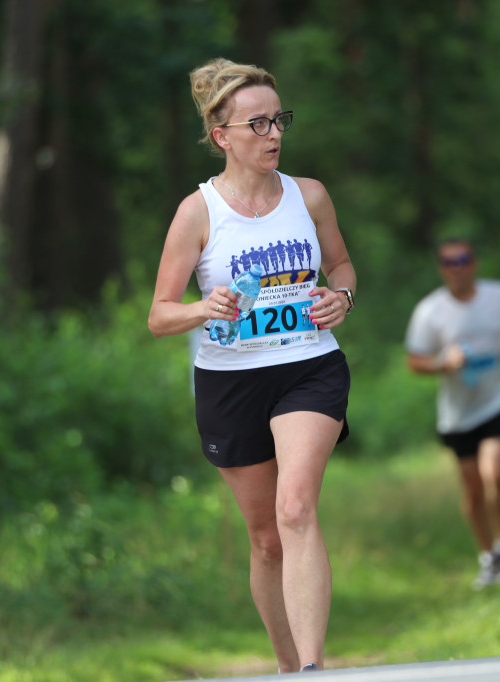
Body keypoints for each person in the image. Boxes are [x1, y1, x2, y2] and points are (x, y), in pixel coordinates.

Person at [148, 58, 355, 674]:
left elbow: (342, 267)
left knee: (296, 507)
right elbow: (159, 314)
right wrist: (202, 308)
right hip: (230, 381)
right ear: (223, 137)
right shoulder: (198, 212)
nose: (273, 135)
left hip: (308, 367)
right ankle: (289, 665)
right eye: (257, 124)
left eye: (278, 121)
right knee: (265, 538)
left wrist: (341, 297)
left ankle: (314, 669)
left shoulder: (309, 195)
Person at [405, 238, 500, 589]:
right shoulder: (430, 311)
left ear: (475, 262)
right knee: (473, 489)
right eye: (449, 262)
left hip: (499, 399)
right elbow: (414, 361)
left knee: (497, 473)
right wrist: (445, 363)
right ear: (441, 268)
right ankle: (487, 556)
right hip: (458, 414)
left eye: (463, 259)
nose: (457, 267)